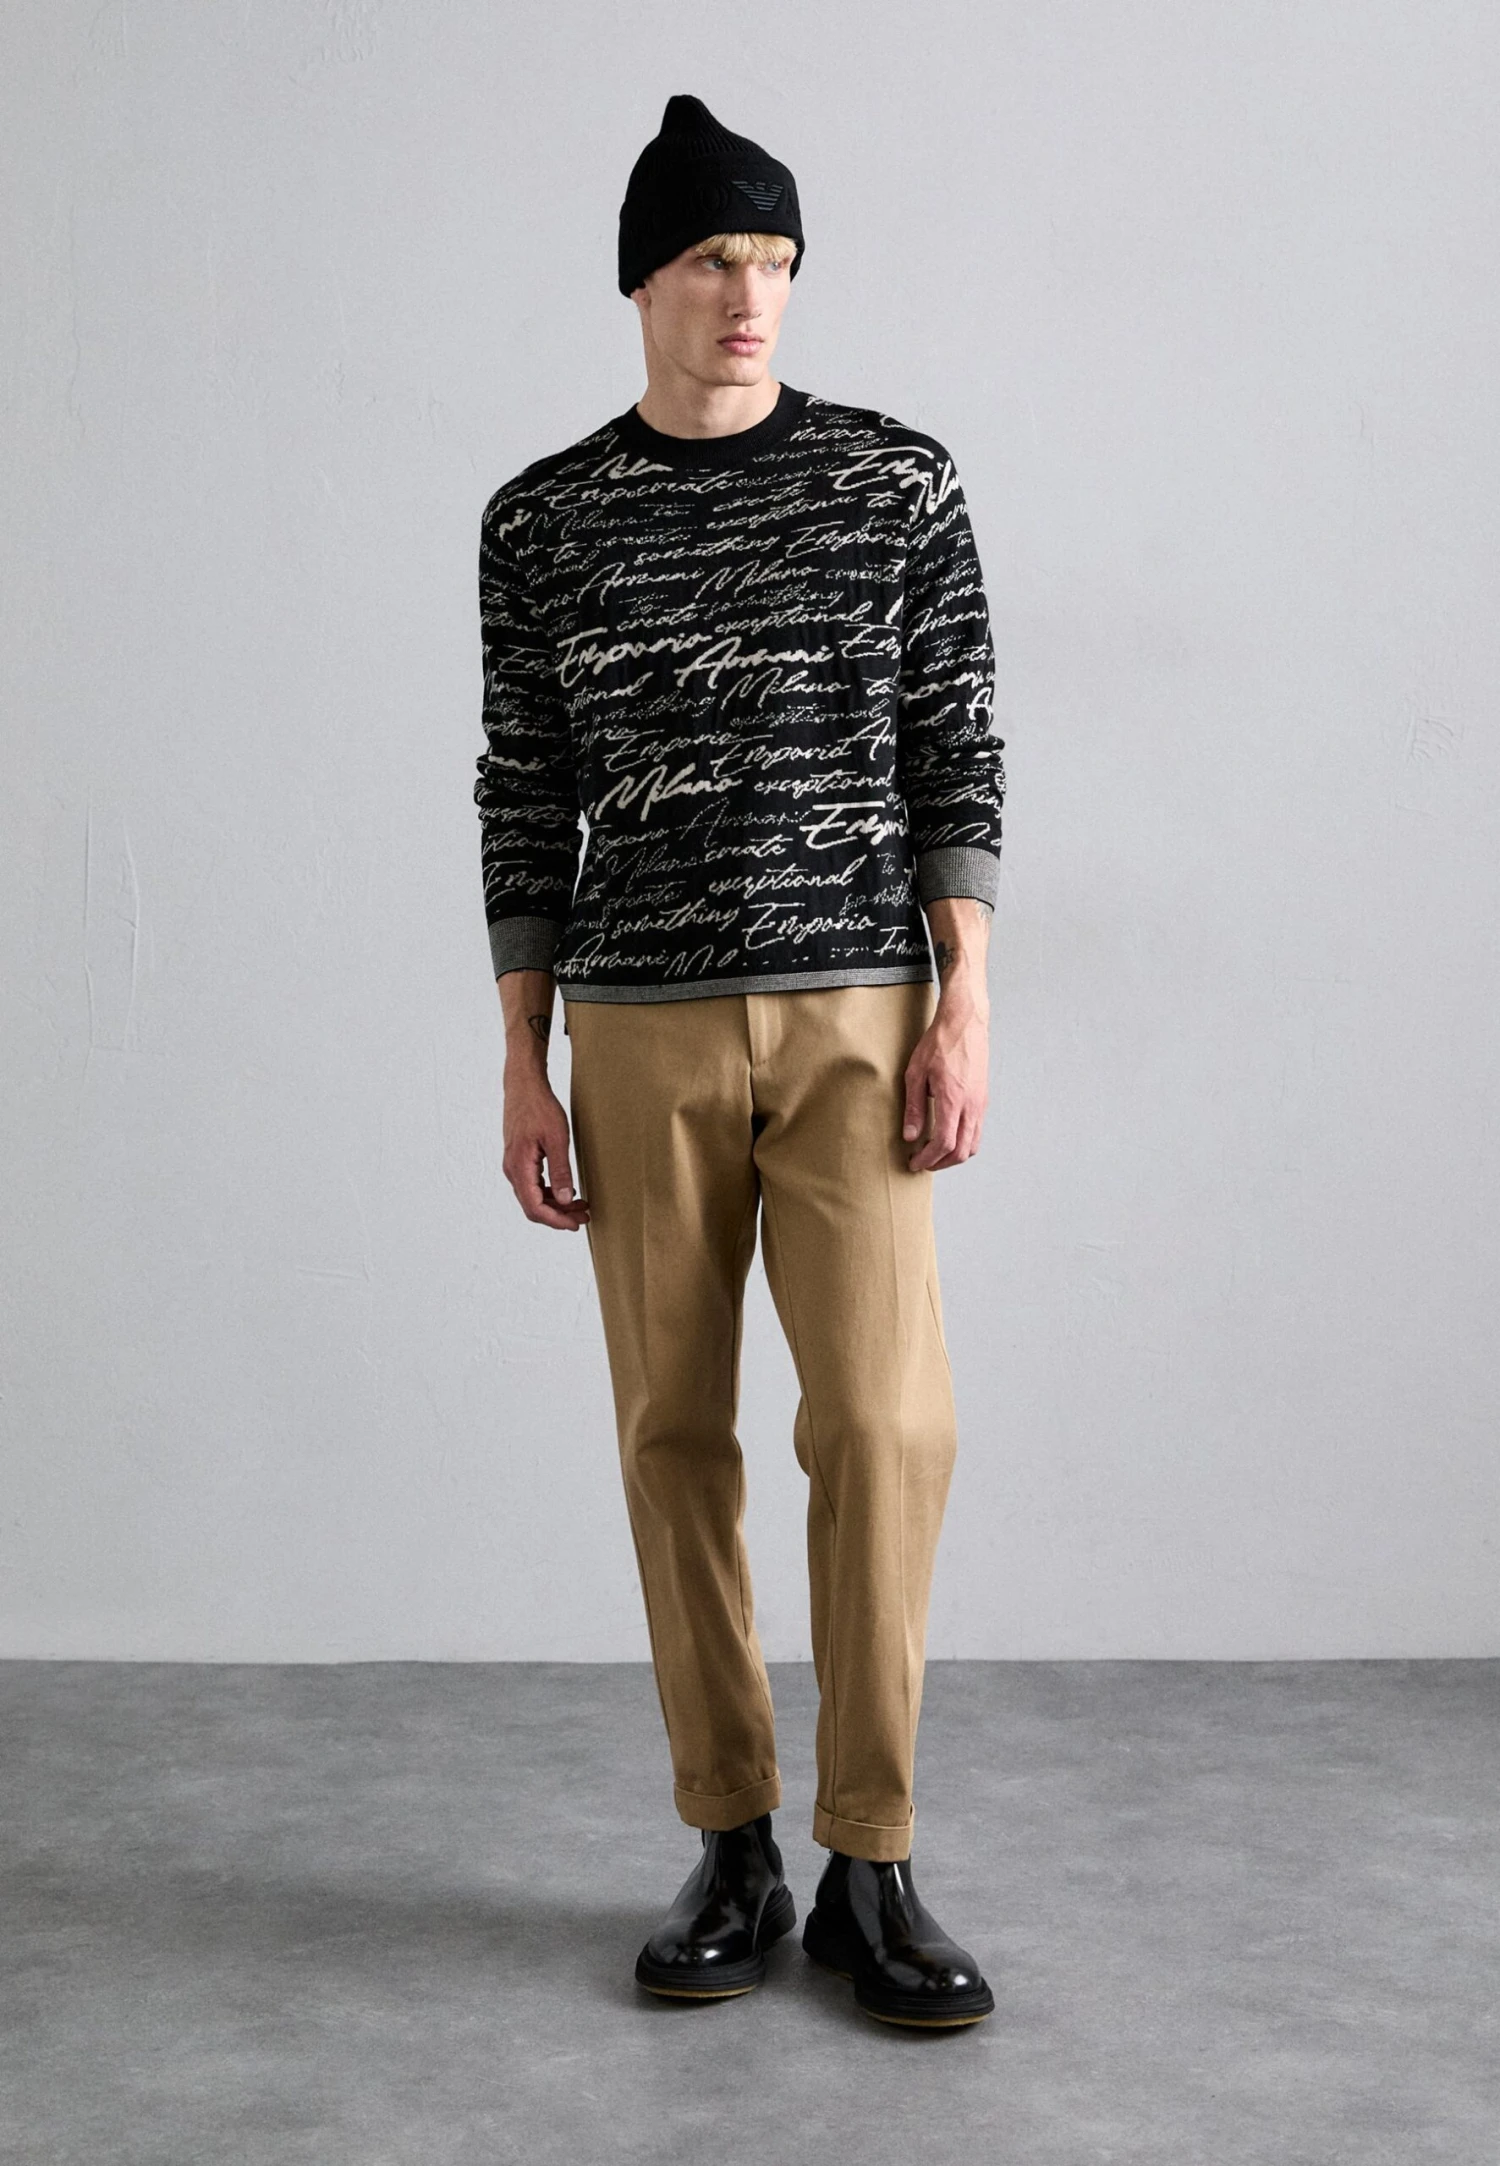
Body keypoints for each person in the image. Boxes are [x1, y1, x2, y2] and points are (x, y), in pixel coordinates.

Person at [474, 93, 1005, 2030]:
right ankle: (733, 1839)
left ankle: (875, 1856)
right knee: (670, 1434)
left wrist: (964, 1001)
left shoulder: (897, 484)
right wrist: (523, 1057)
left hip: (861, 1017)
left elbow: (957, 748)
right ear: (646, 281)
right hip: (634, 1026)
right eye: (715, 258)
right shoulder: (544, 520)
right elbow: (523, 790)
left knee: (884, 1424)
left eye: (775, 260)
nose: (750, 294)